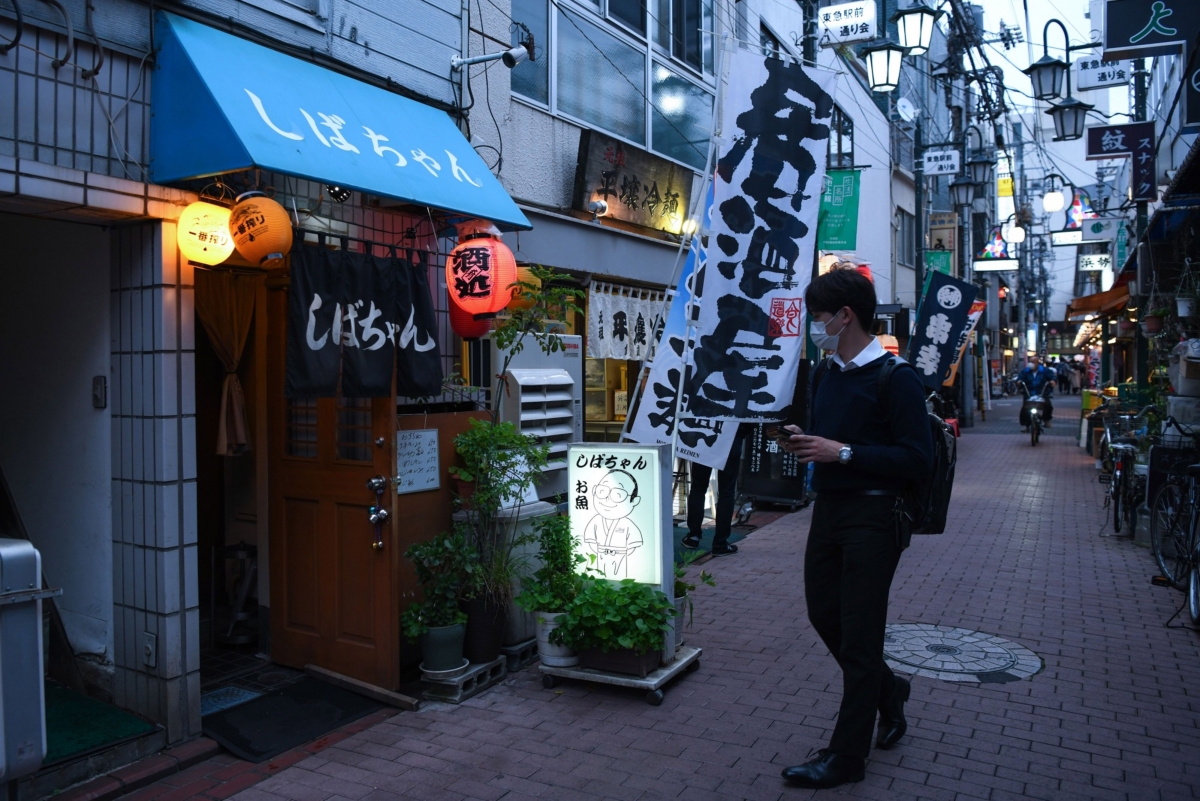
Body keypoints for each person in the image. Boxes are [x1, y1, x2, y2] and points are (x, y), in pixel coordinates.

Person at [777, 269, 934, 790]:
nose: (814, 325)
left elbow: (918, 459)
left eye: (819, 316)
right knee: (824, 614)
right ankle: (890, 694)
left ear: (846, 315)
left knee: (861, 637)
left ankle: (847, 757)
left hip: (876, 516)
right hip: (829, 511)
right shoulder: (826, 372)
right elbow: (830, 438)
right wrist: (805, 441)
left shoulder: (897, 376)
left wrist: (841, 452)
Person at [681, 426, 747, 556]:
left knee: (698, 487)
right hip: (732, 436)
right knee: (726, 492)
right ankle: (720, 543)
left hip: (705, 436)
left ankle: (693, 536)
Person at [1018, 354, 1056, 430]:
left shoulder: (1045, 371)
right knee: (1025, 409)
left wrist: (1052, 381)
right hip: (1029, 393)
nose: (1031, 363)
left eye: (1033, 362)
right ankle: (1027, 425)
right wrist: (1019, 381)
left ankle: (1046, 419)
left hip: (1042, 392)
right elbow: (1020, 378)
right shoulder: (1025, 371)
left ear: (1037, 363)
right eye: (1030, 362)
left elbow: (1052, 377)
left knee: (1048, 405)